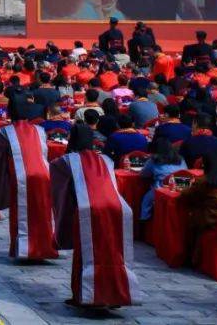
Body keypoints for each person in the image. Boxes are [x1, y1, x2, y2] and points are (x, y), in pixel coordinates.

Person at [50, 123, 140, 309]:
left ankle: (86, 296)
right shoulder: (106, 159)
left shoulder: (68, 160)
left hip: (89, 210)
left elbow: (57, 181)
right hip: (116, 208)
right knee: (113, 252)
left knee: (86, 254)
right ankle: (115, 294)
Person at [0, 110, 58, 260]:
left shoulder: (5, 132)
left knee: (22, 213)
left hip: (22, 175)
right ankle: (44, 247)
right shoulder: (39, 130)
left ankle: (26, 249)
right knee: (42, 212)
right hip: (44, 173)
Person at [177, 150, 217, 266]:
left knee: (190, 215)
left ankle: (189, 255)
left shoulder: (205, 181)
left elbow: (185, 196)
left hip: (210, 218)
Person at [138, 135, 185, 220]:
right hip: (182, 188)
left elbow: (143, 174)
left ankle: (144, 220)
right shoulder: (181, 159)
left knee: (146, 200)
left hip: (163, 190)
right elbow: (185, 172)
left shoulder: (153, 160)